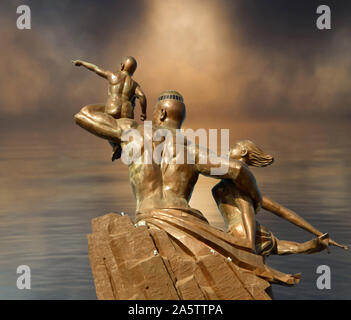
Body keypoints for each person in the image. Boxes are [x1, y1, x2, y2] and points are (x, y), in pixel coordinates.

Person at [212, 140, 330, 256]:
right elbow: (281, 211)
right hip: (253, 234)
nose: (229, 149)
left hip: (243, 234)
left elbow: (247, 211)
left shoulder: (236, 180)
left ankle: (310, 245)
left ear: (243, 151)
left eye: (234, 146)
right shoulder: (243, 184)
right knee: (287, 247)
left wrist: (250, 246)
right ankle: (313, 245)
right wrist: (318, 234)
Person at [72, 56, 147, 160]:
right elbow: (142, 97)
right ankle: (116, 146)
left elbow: (95, 69)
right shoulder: (134, 84)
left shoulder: (113, 75)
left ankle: (116, 144)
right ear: (133, 71)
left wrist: (82, 63)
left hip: (112, 108)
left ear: (122, 66)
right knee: (112, 123)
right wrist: (143, 113)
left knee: (105, 121)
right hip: (126, 113)